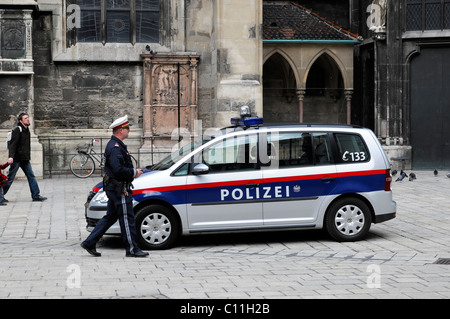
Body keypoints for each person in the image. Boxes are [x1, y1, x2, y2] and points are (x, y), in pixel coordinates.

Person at [80, 115, 149, 258]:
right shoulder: (115, 147)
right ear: (120, 130)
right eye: (127, 128)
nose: (129, 131)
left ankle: (89, 242)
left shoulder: (115, 145)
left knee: (110, 217)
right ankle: (132, 249)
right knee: (127, 218)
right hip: (119, 189)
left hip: (114, 188)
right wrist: (134, 172)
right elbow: (118, 170)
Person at [3, 113, 47, 202]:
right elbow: (13, 145)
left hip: (25, 159)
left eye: (28, 118)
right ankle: (0, 195)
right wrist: (11, 157)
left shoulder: (27, 130)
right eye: (25, 118)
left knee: (31, 176)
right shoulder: (17, 130)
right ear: (21, 121)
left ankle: (36, 195)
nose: (28, 119)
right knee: (10, 178)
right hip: (16, 159)